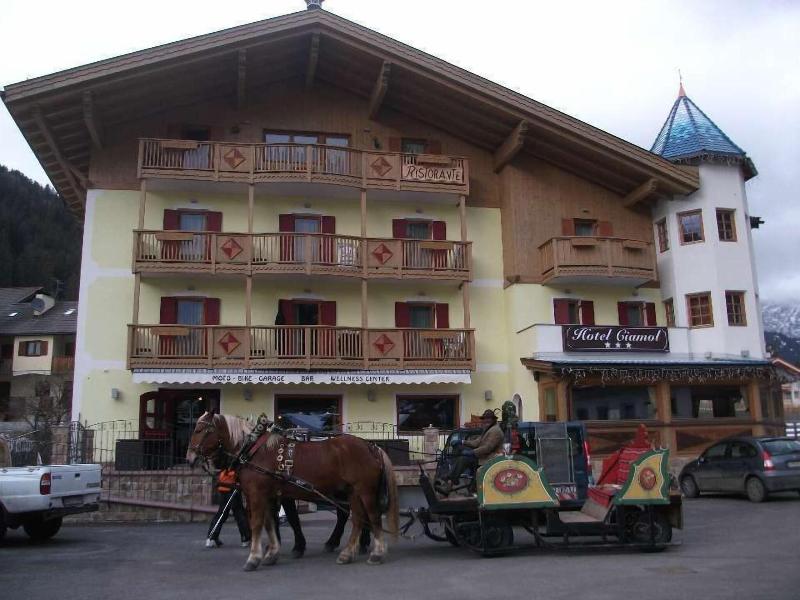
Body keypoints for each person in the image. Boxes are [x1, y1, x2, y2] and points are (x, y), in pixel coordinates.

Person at [440, 409, 504, 493]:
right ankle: (452, 476)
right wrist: (462, 442)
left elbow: (487, 448)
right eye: (485, 418)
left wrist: (472, 452)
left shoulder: (495, 431)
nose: (486, 420)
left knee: (464, 458)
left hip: (488, 459)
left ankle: (451, 479)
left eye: (489, 418)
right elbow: (477, 442)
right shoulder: (488, 429)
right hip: (482, 456)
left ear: (493, 419)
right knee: (460, 449)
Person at [206, 466, 250, 548]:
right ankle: (245, 538)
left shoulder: (225, 464)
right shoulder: (235, 464)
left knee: (221, 514)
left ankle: (212, 538)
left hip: (224, 490)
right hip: (232, 490)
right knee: (239, 514)